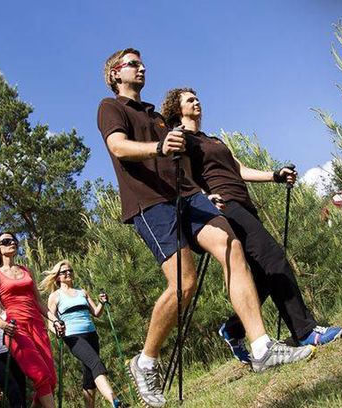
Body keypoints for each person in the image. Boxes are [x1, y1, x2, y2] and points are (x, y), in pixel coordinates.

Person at [96, 48, 315, 407]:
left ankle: (261, 347)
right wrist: (158, 147)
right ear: (115, 73)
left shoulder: (155, 114)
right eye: (133, 63)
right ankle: (145, 359)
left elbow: (181, 158)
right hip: (151, 204)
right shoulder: (110, 107)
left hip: (189, 196)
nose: (142, 67)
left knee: (231, 246)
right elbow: (118, 148)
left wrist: (202, 192)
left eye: (142, 62)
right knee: (184, 283)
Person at [160, 87, 342, 363]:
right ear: (177, 109)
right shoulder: (183, 139)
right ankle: (304, 330)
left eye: (197, 97)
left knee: (263, 275)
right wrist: (205, 200)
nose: (196, 101)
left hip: (243, 203)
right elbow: (185, 177)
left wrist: (275, 176)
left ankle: (233, 328)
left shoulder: (213, 140)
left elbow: (239, 169)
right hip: (224, 207)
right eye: (189, 99)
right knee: (274, 259)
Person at [0, 232, 65, 408]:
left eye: (13, 240)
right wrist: (5, 326)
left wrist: (55, 320)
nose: (11, 243)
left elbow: (38, 302)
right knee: (40, 376)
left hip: (38, 327)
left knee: (50, 380)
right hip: (16, 330)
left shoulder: (27, 271)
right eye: (6, 241)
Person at [40, 260, 125, 408]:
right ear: (58, 277)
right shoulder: (55, 296)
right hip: (73, 337)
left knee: (90, 375)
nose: (68, 273)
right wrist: (58, 331)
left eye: (70, 271)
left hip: (91, 334)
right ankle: (115, 402)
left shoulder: (82, 292)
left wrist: (102, 302)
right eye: (64, 272)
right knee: (96, 363)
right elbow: (50, 322)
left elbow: (96, 313)